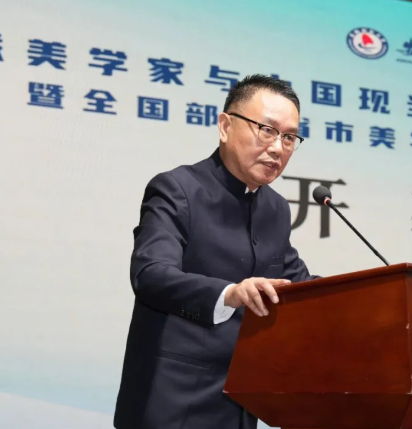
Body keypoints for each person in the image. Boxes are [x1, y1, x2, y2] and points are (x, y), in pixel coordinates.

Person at [113, 75, 319, 429]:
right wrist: (230, 294)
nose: (277, 148)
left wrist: (374, 298)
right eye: (267, 130)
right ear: (225, 126)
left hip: (240, 405)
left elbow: (296, 283)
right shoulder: (177, 189)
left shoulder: (275, 208)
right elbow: (151, 274)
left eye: (289, 137)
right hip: (171, 404)